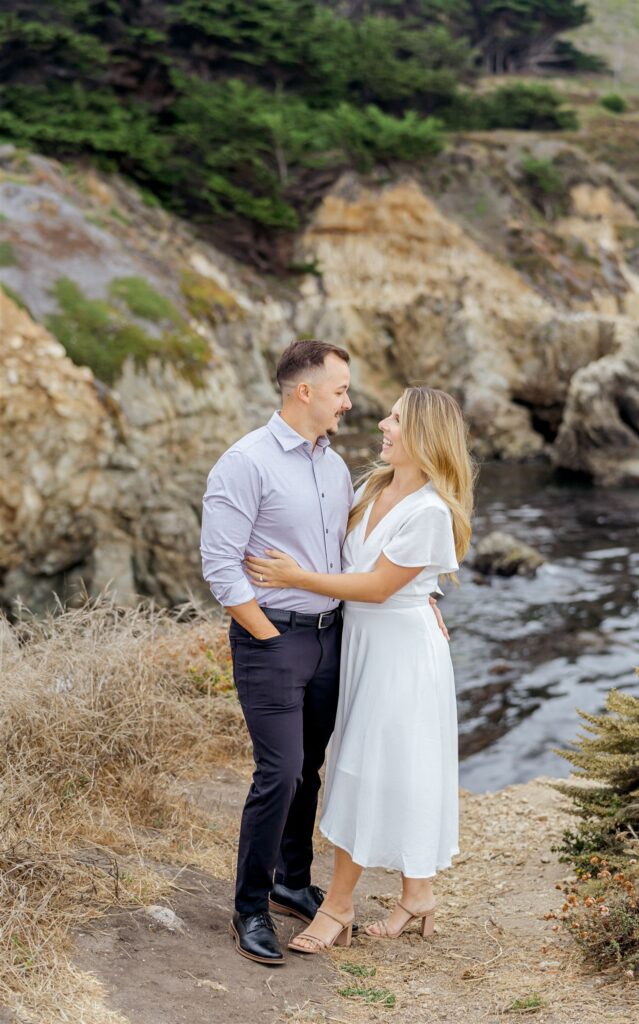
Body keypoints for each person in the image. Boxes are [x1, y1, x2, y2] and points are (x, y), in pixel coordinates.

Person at [201, 341, 449, 965]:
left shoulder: (339, 469)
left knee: (313, 769)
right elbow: (220, 566)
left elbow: (368, 561)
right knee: (279, 772)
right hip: (275, 638)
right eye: (341, 390)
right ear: (304, 392)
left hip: (336, 638)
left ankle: (292, 880)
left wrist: (424, 597)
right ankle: (250, 908)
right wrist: (267, 635)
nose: (351, 403)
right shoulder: (245, 462)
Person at [245, 386, 474, 952]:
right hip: (361, 645)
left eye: (395, 419)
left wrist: (296, 578)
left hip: (402, 654)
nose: (382, 424)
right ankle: (417, 894)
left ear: (422, 433)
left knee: (370, 768)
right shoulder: (371, 486)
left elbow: (375, 587)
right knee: (386, 763)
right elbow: (347, 559)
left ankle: (339, 907)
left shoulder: (431, 512)